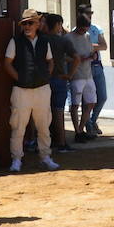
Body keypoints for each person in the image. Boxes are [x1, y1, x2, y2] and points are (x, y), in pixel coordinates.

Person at [4, 9, 59, 172]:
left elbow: (50, 62)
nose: (27, 26)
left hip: (42, 88)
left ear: (37, 24)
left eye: (30, 23)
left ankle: (46, 156)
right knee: (18, 126)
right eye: (24, 23)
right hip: (22, 90)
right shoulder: (16, 41)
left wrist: (45, 77)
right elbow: (7, 63)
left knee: (44, 125)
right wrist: (19, 78)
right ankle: (16, 159)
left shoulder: (44, 41)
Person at [42, 13, 74, 153]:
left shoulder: (42, 40)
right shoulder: (63, 41)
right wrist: (69, 75)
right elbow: (77, 58)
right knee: (58, 111)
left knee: (43, 113)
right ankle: (61, 142)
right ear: (57, 25)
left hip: (45, 79)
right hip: (60, 78)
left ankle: (44, 142)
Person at [67, 13, 99, 143]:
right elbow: (63, 56)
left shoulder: (87, 36)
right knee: (75, 104)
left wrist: (92, 56)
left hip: (88, 73)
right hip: (76, 75)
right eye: (82, 29)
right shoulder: (68, 38)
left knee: (91, 102)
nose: (84, 31)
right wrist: (76, 60)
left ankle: (81, 128)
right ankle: (77, 131)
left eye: (86, 29)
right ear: (78, 26)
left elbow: (91, 50)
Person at [82, 6, 109, 137]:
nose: (90, 15)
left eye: (91, 13)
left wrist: (89, 46)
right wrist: (93, 47)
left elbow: (104, 46)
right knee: (87, 99)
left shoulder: (96, 28)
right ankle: (88, 125)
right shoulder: (77, 31)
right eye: (87, 13)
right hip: (85, 66)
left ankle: (92, 121)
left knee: (102, 97)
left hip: (97, 66)